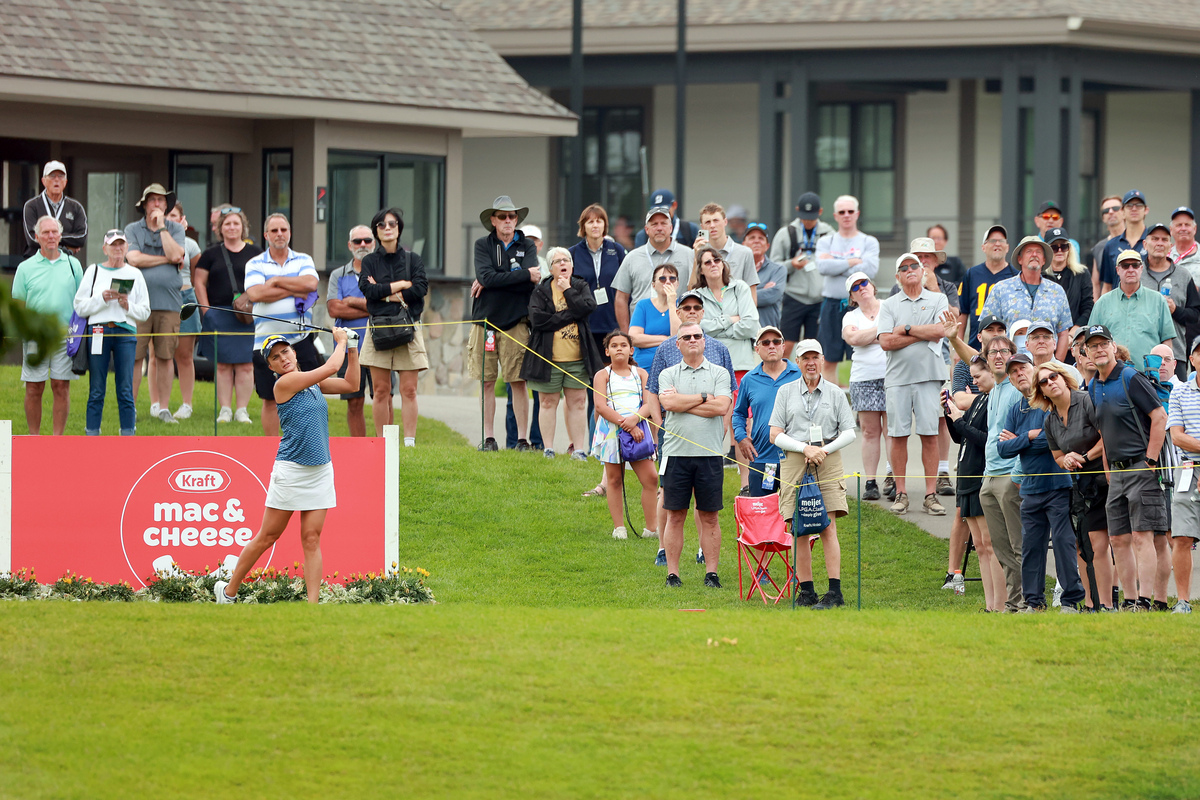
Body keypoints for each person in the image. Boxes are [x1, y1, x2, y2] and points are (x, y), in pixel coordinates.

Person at [215, 329, 360, 605]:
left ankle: (312, 607)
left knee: (311, 538)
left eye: (285, 352)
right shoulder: (284, 384)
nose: (282, 358)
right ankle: (229, 591)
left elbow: (352, 384)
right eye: (275, 357)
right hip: (291, 470)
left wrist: (352, 347)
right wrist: (340, 341)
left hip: (320, 471)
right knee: (267, 536)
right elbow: (331, 366)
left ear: (294, 353)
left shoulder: (313, 383)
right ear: (270, 367)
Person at [644, 291, 735, 566]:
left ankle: (704, 558)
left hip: (709, 443)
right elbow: (658, 395)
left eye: (697, 306)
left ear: (703, 313)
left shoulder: (719, 350)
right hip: (675, 445)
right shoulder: (665, 350)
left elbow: (725, 401)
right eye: (687, 307)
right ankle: (665, 555)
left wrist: (720, 424)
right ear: (679, 311)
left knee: (708, 511)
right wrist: (662, 424)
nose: (692, 310)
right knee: (673, 507)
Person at [1084, 324, 1169, 611]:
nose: (1099, 349)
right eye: (1093, 345)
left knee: (1142, 536)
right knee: (1118, 538)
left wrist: (1150, 462)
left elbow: (1159, 417)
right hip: (1116, 474)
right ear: (1086, 352)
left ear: (1112, 346)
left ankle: (1145, 600)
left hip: (1140, 468)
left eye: (1103, 343)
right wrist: (1108, 469)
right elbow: (1104, 433)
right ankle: (1130, 600)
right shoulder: (1094, 385)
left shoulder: (1130, 377)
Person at [769, 339, 856, 609]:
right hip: (796, 461)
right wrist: (805, 448)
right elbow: (775, 434)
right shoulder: (785, 392)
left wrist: (823, 450)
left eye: (815, 357)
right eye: (805, 357)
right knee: (798, 528)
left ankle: (835, 593)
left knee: (828, 525)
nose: (810, 362)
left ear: (822, 359)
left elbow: (850, 432)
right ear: (797, 362)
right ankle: (807, 591)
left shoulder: (835, 393)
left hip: (828, 460)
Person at [998, 357, 1085, 612]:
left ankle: (1070, 600)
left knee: (1063, 543)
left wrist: (1024, 442)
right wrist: (1028, 436)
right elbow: (1002, 449)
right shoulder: (1017, 409)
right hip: (1030, 490)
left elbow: (1058, 440)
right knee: (1031, 548)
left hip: (1058, 486)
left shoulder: (1050, 402)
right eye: (1013, 372)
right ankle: (1034, 603)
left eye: (1022, 368)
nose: (1018, 374)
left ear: (1032, 370)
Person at [658, 322, 732, 588]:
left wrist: (684, 402)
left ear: (704, 341)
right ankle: (673, 574)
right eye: (686, 337)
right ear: (677, 343)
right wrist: (703, 397)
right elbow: (668, 403)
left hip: (709, 454)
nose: (692, 340)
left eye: (697, 336)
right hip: (676, 454)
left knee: (710, 516)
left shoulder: (720, 372)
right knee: (675, 515)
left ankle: (711, 574)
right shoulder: (667, 373)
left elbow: (722, 406)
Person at [877, 252, 950, 516]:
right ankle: (901, 492)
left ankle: (930, 495)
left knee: (930, 435)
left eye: (914, 266)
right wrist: (922, 333)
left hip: (930, 377)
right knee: (897, 436)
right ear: (897, 276)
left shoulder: (938, 298)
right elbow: (885, 341)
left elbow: (941, 330)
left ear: (922, 271)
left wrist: (905, 329)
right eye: (903, 267)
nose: (909, 270)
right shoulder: (889, 304)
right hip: (897, 379)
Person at [1041, 352, 1114, 611]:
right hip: (1081, 487)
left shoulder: (1085, 401)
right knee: (1084, 546)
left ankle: (1115, 601)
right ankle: (1093, 603)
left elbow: (1108, 437)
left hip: (1106, 478)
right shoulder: (1049, 419)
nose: (1050, 382)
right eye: (1044, 381)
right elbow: (1058, 456)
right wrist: (1068, 460)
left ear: (1064, 378)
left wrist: (1083, 456)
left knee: (1110, 542)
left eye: (1054, 376)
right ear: (1041, 391)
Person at [468, 196, 541, 451]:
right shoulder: (481, 244)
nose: (508, 220)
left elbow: (533, 279)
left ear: (517, 219)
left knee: (518, 382)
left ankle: (522, 439)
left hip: (517, 322)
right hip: (485, 322)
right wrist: (519, 276)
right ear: (493, 220)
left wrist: (495, 280)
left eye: (511, 216)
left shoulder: (527, 246)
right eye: (502, 216)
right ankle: (488, 438)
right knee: (486, 381)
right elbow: (485, 275)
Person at [892, 237, 960, 495]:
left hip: (938, 361)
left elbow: (951, 322)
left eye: (927, 257)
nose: (922, 262)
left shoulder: (947, 286)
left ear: (934, 261)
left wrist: (932, 288)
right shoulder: (896, 287)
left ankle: (942, 471)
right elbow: (888, 333)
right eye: (917, 257)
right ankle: (892, 475)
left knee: (940, 420)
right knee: (898, 426)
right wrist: (927, 331)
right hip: (903, 365)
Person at [244, 213, 321, 436]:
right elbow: (256, 292)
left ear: (290, 232)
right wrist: (294, 287)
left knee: (309, 393)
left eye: (284, 230)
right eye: (274, 230)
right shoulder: (255, 263)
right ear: (266, 235)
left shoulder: (304, 259)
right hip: (264, 344)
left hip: (300, 341)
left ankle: (308, 439)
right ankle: (272, 447)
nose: (280, 234)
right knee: (269, 398)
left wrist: (276, 281)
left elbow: (311, 283)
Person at [521, 247, 602, 459]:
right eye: (557, 261)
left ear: (572, 265)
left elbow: (588, 307)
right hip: (549, 359)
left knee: (578, 403)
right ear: (550, 268)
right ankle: (548, 448)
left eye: (566, 260)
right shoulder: (541, 290)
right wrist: (571, 315)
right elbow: (538, 321)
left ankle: (579, 449)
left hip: (577, 358)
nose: (563, 263)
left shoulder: (580, 285)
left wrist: (568, 290)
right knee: (547, 403)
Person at [358, 207, 429, 444]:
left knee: (409, 390)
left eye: (392, 224)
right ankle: (382, 443)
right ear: (376, 231)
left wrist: (384, 291)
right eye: (381, 225)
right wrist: (400, 285)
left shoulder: (413, 259)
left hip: (408, 327)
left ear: (399, 228)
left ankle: (409, 442)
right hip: (378, 328)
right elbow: (368, 291)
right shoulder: (368, 260)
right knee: (380, 391)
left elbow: (419, 289)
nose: (387, 228)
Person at [73, 229, 150, 435]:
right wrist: (102, 298)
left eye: (121, 245)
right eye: (113, 245)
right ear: (105, 248)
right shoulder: (93, 271)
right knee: (97, 387)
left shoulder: (135, 273)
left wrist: (127, 306)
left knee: (125, 387)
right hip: (98, 330)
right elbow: (79, 306)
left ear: (127, 248)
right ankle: (92, 434)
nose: (117, 249)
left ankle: (127, 434)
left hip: (125, 332)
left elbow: (144, 311)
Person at [943, 355, 1005, 610]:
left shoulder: (995, 401)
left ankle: (999, 605)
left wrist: (959, 420)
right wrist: (951, 416)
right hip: (966, 477)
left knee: (991, 544)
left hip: (981, 476)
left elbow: (985, 439)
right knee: (979, 545)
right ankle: (989, 605)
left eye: (978, 376)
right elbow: (961, 437)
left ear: (991, 373)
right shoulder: (979, 400)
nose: (975, 382)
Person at [13, 216, 83, 435]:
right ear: (37, 237)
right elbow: (18, 305)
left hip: (66, 336)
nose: (51, 236)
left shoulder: (74, 264)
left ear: (61, 236)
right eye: (45, 233)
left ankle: (56, 441)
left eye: (54, 232)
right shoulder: (25, 268)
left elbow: (82, 301)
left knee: (61, 387)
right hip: (36, 337)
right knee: (34, 388)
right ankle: (35, 439)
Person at [124, 183, 187, 423]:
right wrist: (166, 259)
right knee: (135, 356)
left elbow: (176, 255)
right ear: (145, 205)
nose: (157, 204)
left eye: (161, 200)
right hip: (137, 304)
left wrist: (162, 227)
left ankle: (163, 408)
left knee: (165, 357)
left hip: (169, 303)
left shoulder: (174, 229)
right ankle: (130, 408)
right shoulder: (132, 229)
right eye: (152, 200)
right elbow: (134, 258)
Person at [193, 208, 262, 423]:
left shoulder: (256, 253)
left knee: (246, 364)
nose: (232, 227)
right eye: (227, 224)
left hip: (247, 315)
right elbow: (199, 282)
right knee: (222, 365)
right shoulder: (211, 254)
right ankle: (225, 409)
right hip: (220, 314)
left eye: (236, 224)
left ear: (243, 227)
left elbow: (264, 282)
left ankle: (242, 410)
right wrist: (206, 311)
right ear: (220, 228)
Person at [590, 331, 659, 540]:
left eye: (623, 345)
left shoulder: (641, 374)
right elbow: (601, 406)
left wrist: (635, 420)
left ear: (631, 350)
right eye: (613, 345)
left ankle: (651, 528)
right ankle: (619, 527)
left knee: (651, 478)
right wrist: (626, 424)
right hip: (612, 431)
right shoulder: (603, 375)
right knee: (614, 479)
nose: (618, 348)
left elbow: (649, 403)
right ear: (607, 351)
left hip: (637, 430)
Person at [978, 335, 1025, 611]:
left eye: (1003, 351)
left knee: (1018, 545)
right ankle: (1013, 601)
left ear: (1011, 356)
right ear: (986, 358)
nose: (998, 356)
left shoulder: (1018, 389)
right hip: (990, 476)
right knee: (1000, 548)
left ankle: (1025, 600)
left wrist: (1017, 475)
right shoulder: (992, 391)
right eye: (992, 352)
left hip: (1010, 476)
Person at [326, 224, 388, 437]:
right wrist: (372, 304)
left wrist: (351, 301)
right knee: (354, 401)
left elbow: (388, 305)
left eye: (367, 240)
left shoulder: (384, 271)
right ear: (349, 245)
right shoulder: (338, 275)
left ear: (374, 243)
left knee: (384, 397)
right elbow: (334, 308)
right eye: (357, 241)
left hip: (382, 345)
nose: (363, 245)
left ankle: (385, 447)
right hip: (349, 349)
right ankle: (359, 448)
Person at [816, 195, 880, 385]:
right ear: (835, 216)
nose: (846, 215)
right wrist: (854, 262)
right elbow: (822, 268)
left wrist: (835, 262)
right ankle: (832, 409)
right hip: (831, 305)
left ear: (857, 214)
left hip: (861, 307)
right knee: (828, 359)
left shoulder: (869, 241)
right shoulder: (825, 241)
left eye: (850, 211)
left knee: (863, 354)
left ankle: (860, 409)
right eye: (842, 212)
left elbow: (870, 270)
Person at [732, 325, 802, 496]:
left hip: (795, 459)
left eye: (776, 342)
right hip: (764, 460)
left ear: (783, 347)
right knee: (764, 513)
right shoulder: (750, 379)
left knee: (796, 514)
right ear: (757, 349)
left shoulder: (798, 374)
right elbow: (739, 413)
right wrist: (741, 437)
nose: (772, 346)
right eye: (766, 342)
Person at [979, 235, 1073, 360]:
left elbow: (1063, 334)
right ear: (1020, 259)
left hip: (1047, 367)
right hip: (1011, 366)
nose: (1034, 255)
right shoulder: (1001, 289)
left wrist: (1056, 366)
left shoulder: (1057, 291)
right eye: (1029, 251)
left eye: (1038, 252)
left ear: (1044, 260)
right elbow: (987, 331)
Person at [770, 192, 834, 360]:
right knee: (786, 344)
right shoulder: (786, 233)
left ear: (820, 212)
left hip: (819, 299)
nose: (808, 221)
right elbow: (775, 266)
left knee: (815, 348)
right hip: (793, 297)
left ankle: (813, 382)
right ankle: (779, 378)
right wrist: (792, 264)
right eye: (804, 217)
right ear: (797, 211)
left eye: (812, 217)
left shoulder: (829, 233)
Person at [841, 271, 887, 501]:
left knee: (893, 431)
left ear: (872, 285)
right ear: (852, 296)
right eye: (855, 287)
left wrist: (868, 336)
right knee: (870, 431)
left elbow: (898, 335)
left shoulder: (889, 306)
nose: (862, 288)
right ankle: (871, 481)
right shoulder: (851, 316)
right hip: (863, 378)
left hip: (893, 376)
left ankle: (893, 477)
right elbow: (853, 339)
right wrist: (882, 333)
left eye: (864, 282)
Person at [1088, 249, 1175, 369]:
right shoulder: (1102, 303)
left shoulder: (1158, 300)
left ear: (1141, 268)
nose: (1130, 270)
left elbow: (1167, 342)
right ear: (1118, 270)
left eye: (1135, 265)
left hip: (1148, 377)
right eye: (1125, 266)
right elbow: (1091, 342)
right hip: (1111, 376)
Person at [612, 205, 692, 333]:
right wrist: (627, 336)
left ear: (671, 228)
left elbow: (695, 291)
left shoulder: (688, 255)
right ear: (646, 229)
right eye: (654, 224)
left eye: (663, 223)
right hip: (641, 334)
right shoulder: (632, 257)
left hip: (678, 334)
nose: (659, 228)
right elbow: (621, 298)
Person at [690, 246, 759, 387]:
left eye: (717, 260)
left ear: (722, 264)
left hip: (740, 365)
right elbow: (697, 328)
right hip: (709, 366)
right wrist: (729, 320)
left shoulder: (740, 287)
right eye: (707, 262)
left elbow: (751, 326)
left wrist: (716, 333)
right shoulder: (696, 295)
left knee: (739, 409)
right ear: (701, 270)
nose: (713, 264)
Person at [1165, 334, 1200, 614]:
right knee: (1181, 537)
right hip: (1188, 469)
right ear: (1191, 359)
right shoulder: (1179, 391)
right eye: (1199, 352)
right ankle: (1184, 601)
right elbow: (1177, 437)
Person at [1140, 222, 1200, 378]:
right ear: (1145, 244)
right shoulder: (1136, 272)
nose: (1160, 243)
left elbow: (1195, 315)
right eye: (1155, 239)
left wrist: (1176, 310)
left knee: (1174, 401)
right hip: (1140, 353)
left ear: (1170, 246)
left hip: (1174, 355)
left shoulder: (1183, 275)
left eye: (1164, 240)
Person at [569, 203, 626, 355]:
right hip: (584, 323)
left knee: (610, 369)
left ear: (604, 225)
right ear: (583, 226)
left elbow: (626, 285)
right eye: (590, 221)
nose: (595, 225)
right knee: (587, 372)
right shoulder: (573, 253)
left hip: (612, 321)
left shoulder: (617, 250)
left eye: (599, 221)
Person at [163, 202, 202, 421]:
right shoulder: (153, 240)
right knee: (160, 354)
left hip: (185, 297)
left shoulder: (191, 244)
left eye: (174, 215)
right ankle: (159, 403)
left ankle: (186, 404)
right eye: (166, 215)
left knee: (184, 355)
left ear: (182, 219)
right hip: (161, 300)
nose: (170, 219)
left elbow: (197, 274)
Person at [958, 225, 1015, 347]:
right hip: (975, 345)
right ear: (983, 247)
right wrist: (958, 346)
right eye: (992, 241)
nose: (997, 244)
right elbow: (963, 312)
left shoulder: (1015, 276)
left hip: (1006, 346)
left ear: (1007, 247)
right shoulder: (972, 274)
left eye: (1002, 241)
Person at [695, 203, 758, 303]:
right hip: (708, 315)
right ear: (702, 227)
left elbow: (752, 296)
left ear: (725, 222)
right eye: (707, 222)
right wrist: (696, 257)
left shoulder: (745, 253)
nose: (712, 226)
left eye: (716, 220)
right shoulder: (697, 253)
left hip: (738, 315)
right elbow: (691, 289)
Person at [22, 160, 86, 255]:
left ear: (65, 182)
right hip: (37, 262)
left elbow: (81, 238)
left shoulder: (76, 207)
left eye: (60, 176)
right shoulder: (31, 206)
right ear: (44, 181)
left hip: (64, 263)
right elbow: (32, 239)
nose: (57, 180)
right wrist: (66, 247)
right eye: (52, 176)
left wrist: (46, 237)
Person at [1042, 227, 1093, 336]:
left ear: (1069, 248)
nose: (1059, 251)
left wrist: (1072, 333)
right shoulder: (1040, 276)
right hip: (1046, 337)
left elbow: (1088, 306)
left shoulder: (1081, 273)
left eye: (1064, 246)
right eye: (1054, 247)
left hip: (1075, 338)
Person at [1098, 190, 1150, 295]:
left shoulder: (1153, 242)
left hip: (1147, 306)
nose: (1134, 208)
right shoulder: (1111, 245)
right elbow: (1107, 286)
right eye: (1129, 205)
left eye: (1138, 205)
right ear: (1122, 211)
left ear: (1146, 210)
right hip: (1118, 306)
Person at [628, 264, 680, 370]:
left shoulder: (683, 305)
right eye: (662, 278)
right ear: (653, 285)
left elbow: (679, 338)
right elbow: (634, 338)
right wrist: (666, 339)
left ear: (677, 284)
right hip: (644, 365)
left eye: (672, 278)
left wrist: (671, 304)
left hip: (673, 365)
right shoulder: (643, 305)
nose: (668, 282)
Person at [745, 222, 785, 329]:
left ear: (767, 246)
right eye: (752, 238)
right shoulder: (735, 270)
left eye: (761, 238)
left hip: (768, 333)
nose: (756, 241)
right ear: (743, 244)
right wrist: (763, 289)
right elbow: (727, 296)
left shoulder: (778, 270)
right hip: (742, 331)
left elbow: (772, 296)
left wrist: (741, 294)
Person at [633, 188, 698, 247]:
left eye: (665, 210)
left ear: (674, 205)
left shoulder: (689, 229)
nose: (661, 213)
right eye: (656, 210)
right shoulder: (643, 235)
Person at [1090, 195, 1125, 297]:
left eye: (1115, 208)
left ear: (1124, 213)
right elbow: (1095, 284)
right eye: (1106, 210)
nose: (1110, 212)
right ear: (1102, 217)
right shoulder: (1099, 247)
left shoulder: (1135, 242)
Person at [1170, 206, 1200, 286]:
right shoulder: (1164, 255)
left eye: (1187, 225)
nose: (1183, 228)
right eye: (1179, 225)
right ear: (1171, 230)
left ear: (1195, 228)